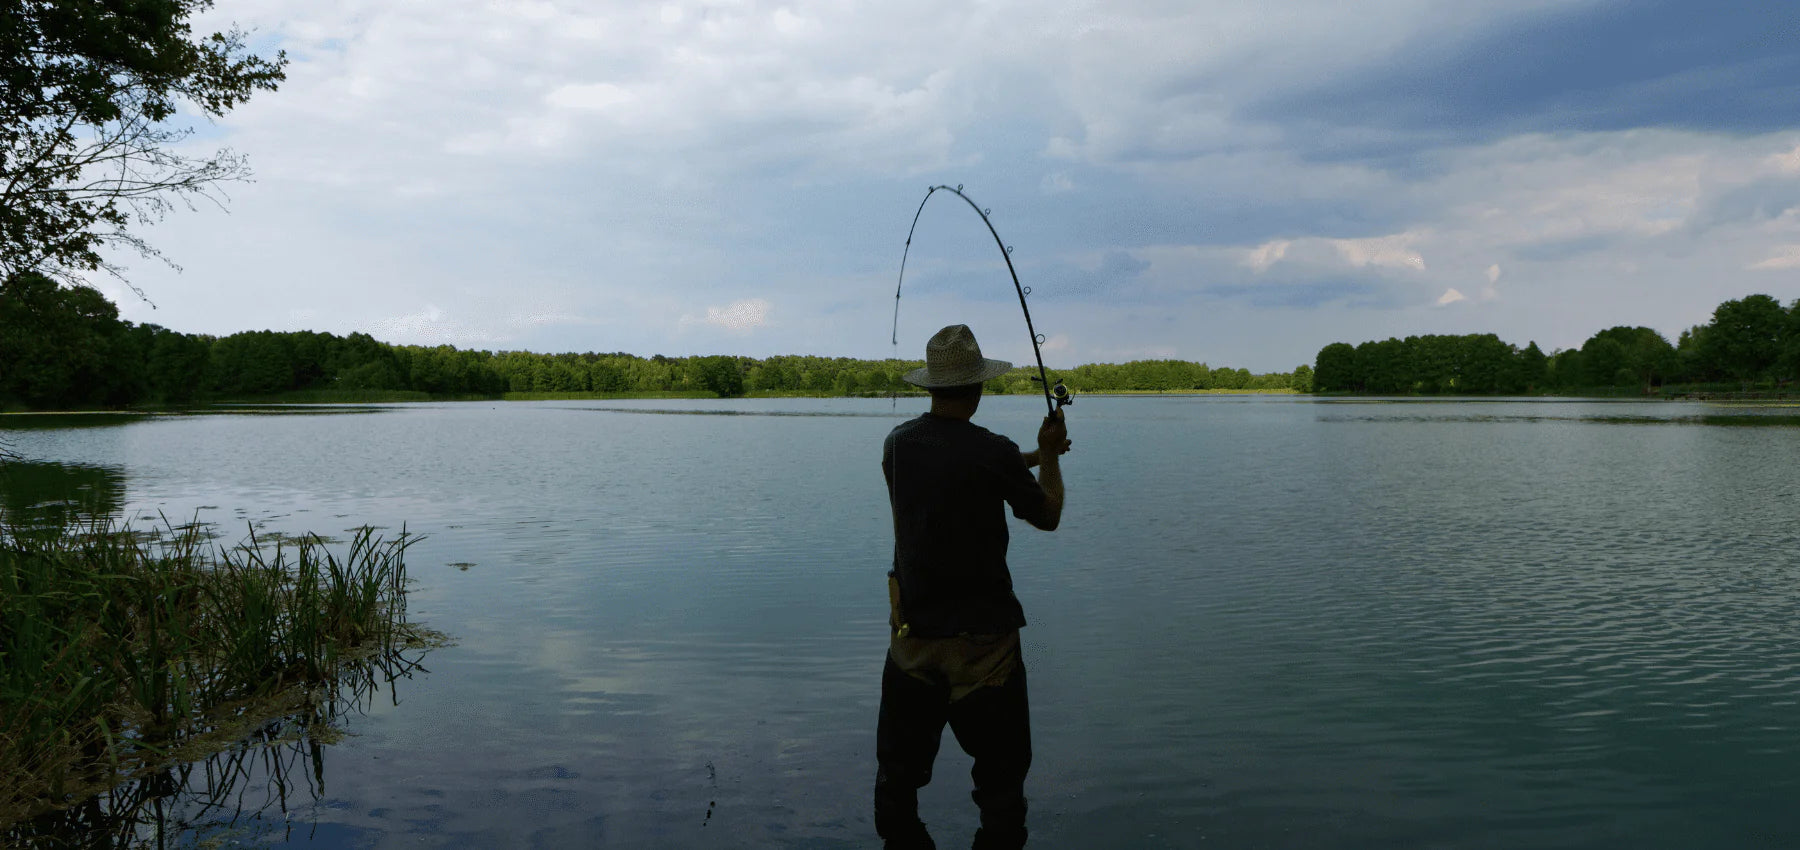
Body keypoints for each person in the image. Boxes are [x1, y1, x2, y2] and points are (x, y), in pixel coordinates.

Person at [875, 324, 1069, 850]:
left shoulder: (898, 447)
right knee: (1001, 789)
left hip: (912, 639)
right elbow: (1047, 515)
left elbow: (961, 467)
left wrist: (1027, 457)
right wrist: (1047, 456)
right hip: (985, 650)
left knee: (898, 784)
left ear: (932, 387)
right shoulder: (993, 450)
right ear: (978, 388)